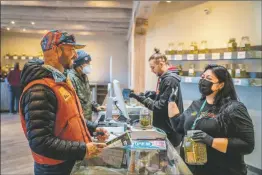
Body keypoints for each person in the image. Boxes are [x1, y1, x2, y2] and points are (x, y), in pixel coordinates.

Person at [19, 30, 109, 175]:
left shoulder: (60, 81)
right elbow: (40, 142)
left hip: (69, 160)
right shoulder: (40, 90)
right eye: (71, 49)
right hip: (54, 168)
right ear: (55, 49)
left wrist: (93, 128)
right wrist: (83, 149)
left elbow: (70, 118)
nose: (75, 54)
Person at [168, 64, 254, 175]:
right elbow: (178, 126)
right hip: (194, 169)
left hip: (223, 170)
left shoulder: (234, 108)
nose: (203, 81)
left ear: (220, 85)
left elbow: (247, 145)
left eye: (209, 79)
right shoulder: (197, 104)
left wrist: (211, 141)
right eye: (202, 77)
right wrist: (171, 102)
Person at [129, 48, 184, 147]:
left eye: (153, 67)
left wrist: (141, 99)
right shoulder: (164, 79)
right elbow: (164, 97)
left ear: (161, 64)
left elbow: (159, 107)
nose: (151, 70)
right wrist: (153, 94)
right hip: (165, 129)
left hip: (170, 131)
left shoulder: (170, 80)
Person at [68, 50, 106, 121]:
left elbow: (87, 97)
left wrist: (96, 107)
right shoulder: (70, 78)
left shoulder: (84, 76)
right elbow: (72, 104)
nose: (89, 65)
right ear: (79, 65)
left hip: (87, 119)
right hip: (79, 120)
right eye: (87, 63)